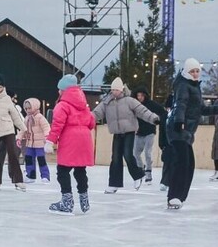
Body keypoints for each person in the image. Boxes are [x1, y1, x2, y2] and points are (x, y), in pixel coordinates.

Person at [165, 58, 218, 209]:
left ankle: (179, 197)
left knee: (189, 164)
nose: (195, 74)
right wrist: (179, 121)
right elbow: (180, 104)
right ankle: (174, 197)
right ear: (186, 72)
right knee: (182, 164)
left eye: (197, 71)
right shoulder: (184, 85)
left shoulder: (195, 87)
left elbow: (203, 110)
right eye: (192, 71)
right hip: (178, 130)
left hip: (187, 132)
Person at [93, 77, 161, 193]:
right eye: (113, 90)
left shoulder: (129, 101)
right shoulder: (107, 102)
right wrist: (85, 119)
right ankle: (114, 184)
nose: (114, 92)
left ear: (122, 90)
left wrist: (153, 118)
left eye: (116, 90)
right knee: (115, 158)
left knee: (128, 155)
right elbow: (96, 113)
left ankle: (138, 175)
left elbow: (142, 111)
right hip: (117, 133)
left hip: (129, 132)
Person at [46, 74, 96, 214]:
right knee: (80, 170)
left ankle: (67, 202)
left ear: (63, 90)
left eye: (59, 89)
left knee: (63, 170)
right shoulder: (84, 105)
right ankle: (84, 200)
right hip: (85, 139)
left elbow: (57, 125)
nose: (58, 92)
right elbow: (91, 123)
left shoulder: (62, 105)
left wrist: (50, 141)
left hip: (70, 139)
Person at [132, 89, 166, 184]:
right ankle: (141, 168)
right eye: (138, 96)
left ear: (145, 96)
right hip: (138, 133)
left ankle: (148, 172)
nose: (140, 98)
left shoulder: (151, 104)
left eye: (142, 96)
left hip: (150, 132)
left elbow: (162, 111)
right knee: (135, 153)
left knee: (148, 153)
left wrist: (160, 121)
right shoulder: (134, 105)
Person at [20, 98, 51, 183]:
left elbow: (46, 127)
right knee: (29, 159)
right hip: (29, 143)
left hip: (40, 143)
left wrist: (47, 136)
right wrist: (19, 138)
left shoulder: (40, 117)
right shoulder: (27, 118)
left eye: (29, 108)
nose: (27, 110)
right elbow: (23, 129)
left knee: (41, 160)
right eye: (26, 108)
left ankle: (45, 176)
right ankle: (31, 176)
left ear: (35, 107)